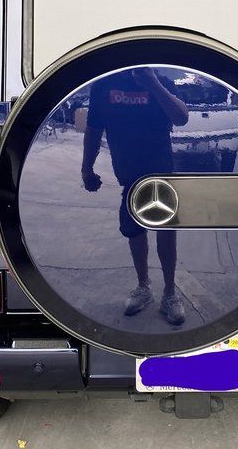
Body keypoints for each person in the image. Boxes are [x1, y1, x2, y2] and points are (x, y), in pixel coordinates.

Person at [81, 67, 189, 326]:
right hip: (129, 176)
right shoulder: (103, 85)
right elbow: (93, 130)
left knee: (166, 231)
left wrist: (152, 83)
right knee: (134, 231)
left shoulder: (161, 82)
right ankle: (144, 287)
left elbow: (181, 117)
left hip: (161, 175)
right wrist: (87, 168)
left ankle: (170, 293)